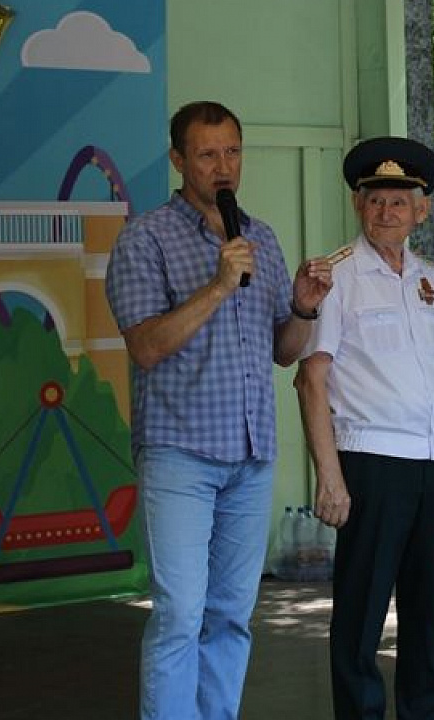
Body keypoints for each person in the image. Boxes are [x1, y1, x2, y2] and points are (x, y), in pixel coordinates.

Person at [105, 100, 332, 720]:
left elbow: (284, 351)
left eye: (232, 151)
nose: (223, 166)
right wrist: (216, 285)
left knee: (232, 613)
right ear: (178, 160)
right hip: (180, 453)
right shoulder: (144, 238)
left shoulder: (260, 237)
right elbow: (147, 347)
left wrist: (306, 309)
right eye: (207, 154)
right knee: (180, 612)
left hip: (252, 454)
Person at [294, 136, 434, 720]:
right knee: (362, 609)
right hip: (373, 461)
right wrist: (330, 477)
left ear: (420, 209)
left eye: (399, 201)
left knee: (427, 605)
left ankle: (430, 710)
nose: (386, 212)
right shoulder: (336, 276)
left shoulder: (429, 279)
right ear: (357, 204)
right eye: (375, 200)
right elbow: (311, 380)